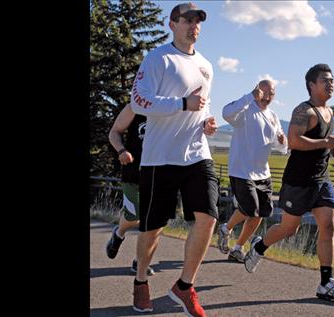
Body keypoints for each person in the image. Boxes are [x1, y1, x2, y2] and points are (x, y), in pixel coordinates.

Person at [129, 3, 219, 316]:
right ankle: (141, 280)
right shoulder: (158, 59)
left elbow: (203, 106)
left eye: (198, 21)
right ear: (172, 24)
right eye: (187, 20)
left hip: (196, 154)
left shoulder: (207, 65)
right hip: (160, 157)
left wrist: (207, 123)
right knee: (153, 229)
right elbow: (138, 100)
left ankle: (184, 286)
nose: (194, 25)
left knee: (208, 217)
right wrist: (182, 103)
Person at [243, 64, 334, 302]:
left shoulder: (330, 112)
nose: (331, 84)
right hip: (299, 181)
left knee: (328, 225)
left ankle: (326, 283)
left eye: (332, 80)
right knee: (288, 228)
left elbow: (328, 144)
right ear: (312, 85)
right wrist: (325, 142)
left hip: (322, 180)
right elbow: (293, 141)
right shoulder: (305, 111)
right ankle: (259, 246)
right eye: (325, 80)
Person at [217, 80, 287, 262]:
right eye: (263, 92)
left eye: (271, 93)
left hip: (263, 173)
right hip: (241, 170)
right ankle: (226, 228)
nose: (267, 97)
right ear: (256, 91)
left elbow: (281, 148)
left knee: (260, 214)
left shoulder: (273, 116)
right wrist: (249, 97)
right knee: (250, 208)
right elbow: (225, 112)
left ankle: (237, 248)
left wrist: (281, 140)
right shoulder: (245, 110)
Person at [105, 103, 155, 276]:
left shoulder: (172, 108)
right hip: (133, 172)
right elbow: (114, 132)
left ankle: (140, 262)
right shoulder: (135, 107)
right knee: (134, 215)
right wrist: (121, 150)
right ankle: (118, 233)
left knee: (154, 221)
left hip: (160, 174)